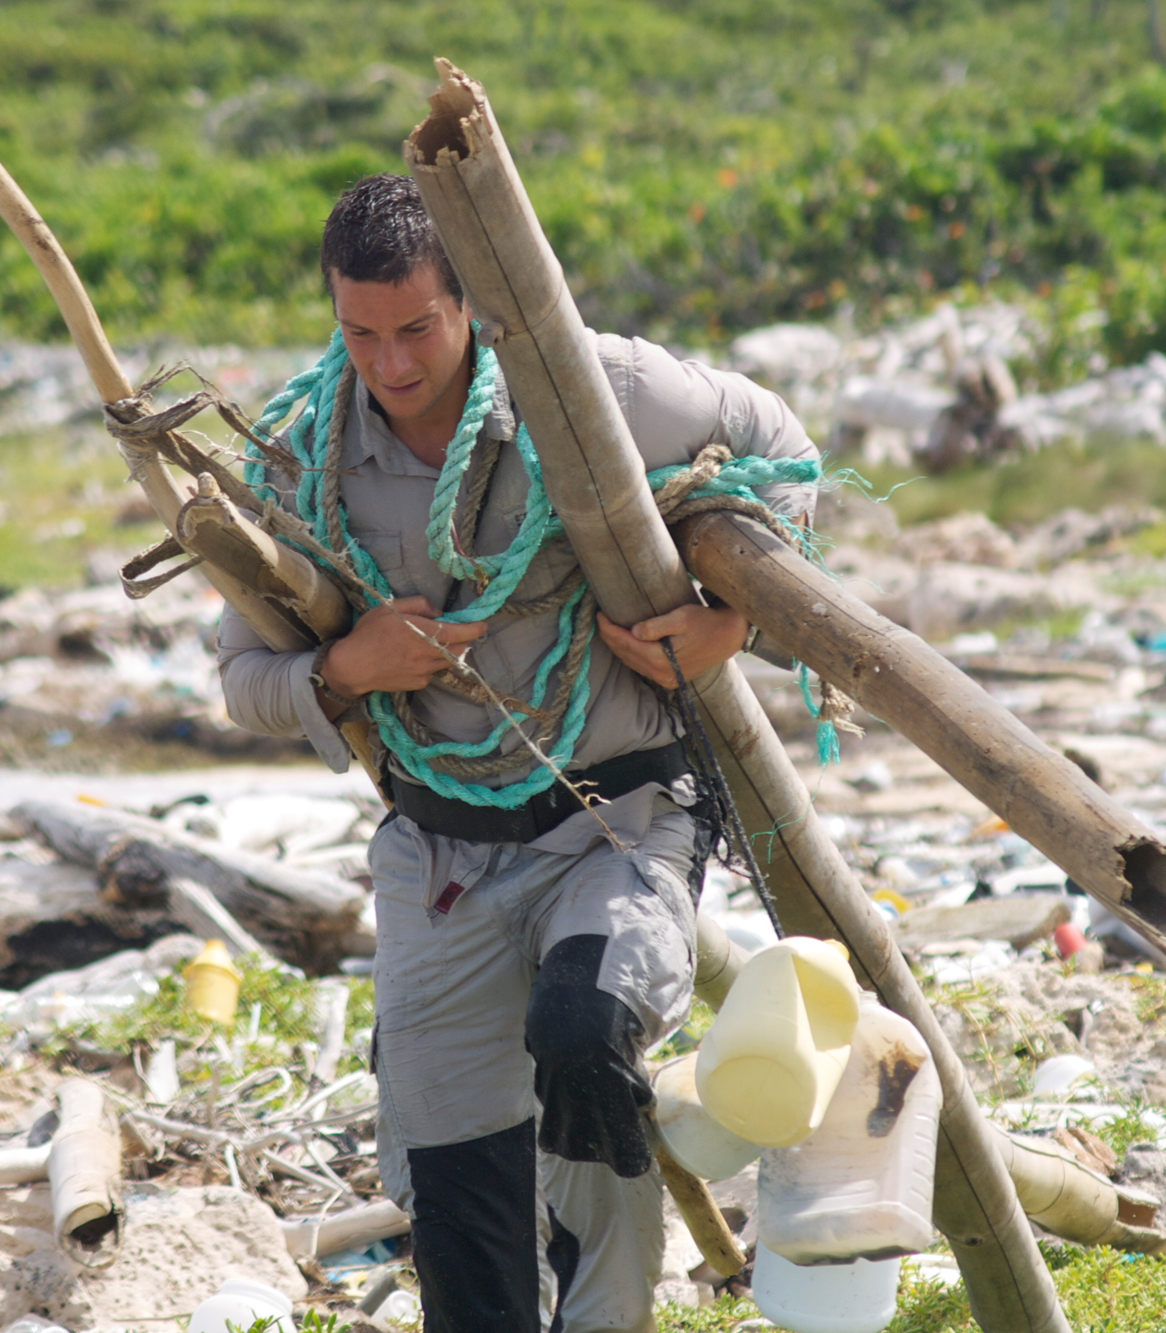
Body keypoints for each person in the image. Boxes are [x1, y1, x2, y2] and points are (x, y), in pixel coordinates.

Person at [217, 174, 819, 1333]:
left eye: (415, 329)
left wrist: (729, 623)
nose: (388, 364)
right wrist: (349, 670)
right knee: (457, 1195)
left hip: (617, 816)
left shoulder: (597, 387)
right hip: (438, 850)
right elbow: (245, 678)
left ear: (469, 304)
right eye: (359, 334)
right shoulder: (301, 458)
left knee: (582, 1037)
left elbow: (779, 450)